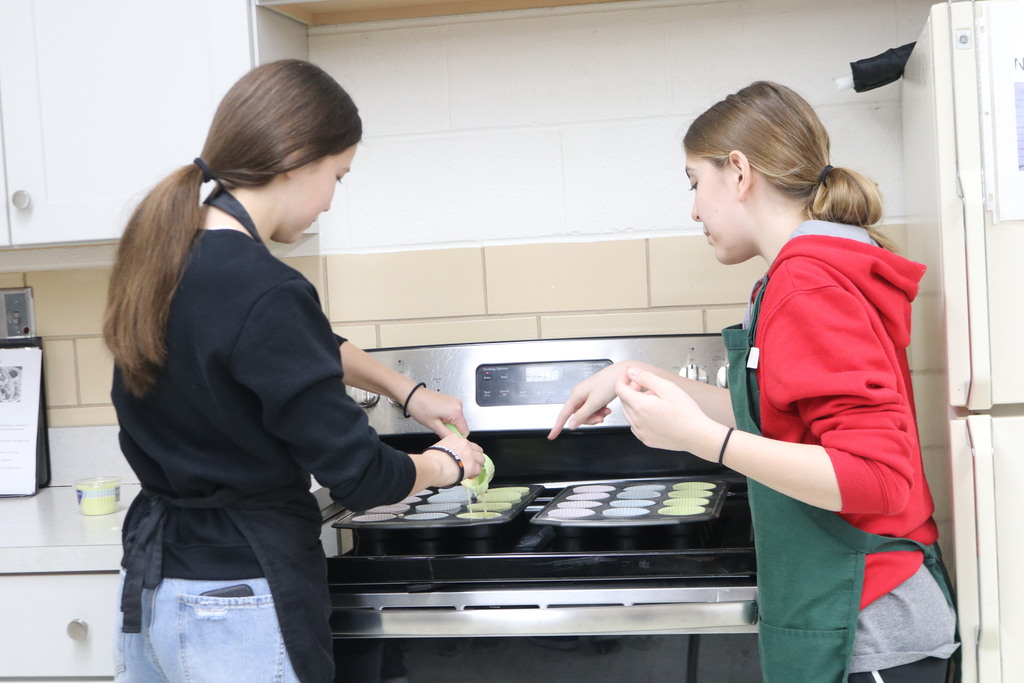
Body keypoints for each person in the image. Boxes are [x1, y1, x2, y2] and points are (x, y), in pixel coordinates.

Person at [548, 81, 959, 683]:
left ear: (738, 173)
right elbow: (773, 420)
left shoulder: (809, 284)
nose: (693, 209)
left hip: (868, 626)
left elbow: (878, 479)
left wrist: (701, 440)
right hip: (863, 615)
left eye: (694, 182)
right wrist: (634, 374)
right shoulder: (803, 274)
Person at [103, 59, 484, 683]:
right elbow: (360, 476)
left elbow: (283, 346)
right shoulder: (266, 287)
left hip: (152, 587)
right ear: (299, 160)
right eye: (338, 174)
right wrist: (447, 465)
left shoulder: (161, 258)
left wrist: (403, 388)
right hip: (238, 602)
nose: (333, 199)